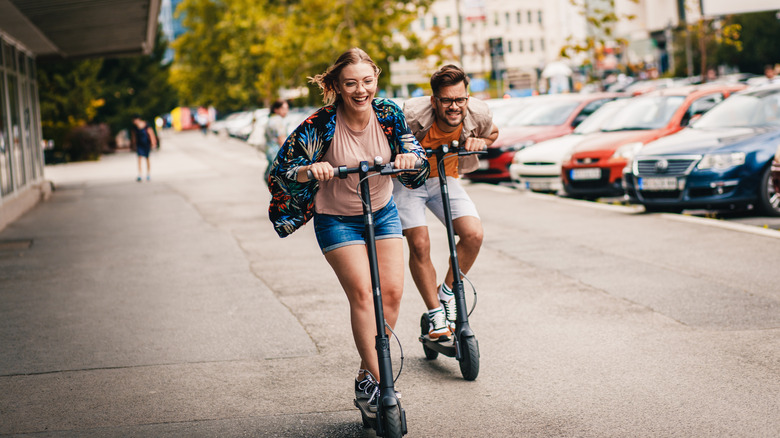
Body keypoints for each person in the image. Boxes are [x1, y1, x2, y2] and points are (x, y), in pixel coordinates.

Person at [267, 48, 429, 411]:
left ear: (376, 80)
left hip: (383, 212)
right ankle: (387, 386)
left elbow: (416, 159)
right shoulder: (320, 124)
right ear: (337, 86)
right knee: (363, 295)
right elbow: (281, 171)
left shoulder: (389, 113)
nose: (361, 90)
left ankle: (366, 378)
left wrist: (408, 158)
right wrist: (312, 170)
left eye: (367, 82)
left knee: (391, 294)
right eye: (351, 83)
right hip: (337, 219)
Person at [392, 64, 498, 341]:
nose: (455, 106)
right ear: (434, 100)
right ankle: (435, 312)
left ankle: (447, 292)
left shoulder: (478, 112)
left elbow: (493, 133)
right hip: (409, 181)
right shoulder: (411, 116)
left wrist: (480, 141)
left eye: (460, 99)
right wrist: (401, 154)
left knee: (473, 234)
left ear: (467, 98)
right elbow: (385, 143)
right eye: (447, 100)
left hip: (445, 178)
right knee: (419, 244)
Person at [263, 99, 289, 184]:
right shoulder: (279, 121)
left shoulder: (270, 120)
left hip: (270, 152)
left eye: (287, 108)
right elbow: (282, 140)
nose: (286, 111)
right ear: (276, 109)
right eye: (283, 109)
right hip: (277, 154)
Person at [130, 115, 158, 181]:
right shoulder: (134, 127)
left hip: (146, 143)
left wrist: (153, 142)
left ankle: (148, 174)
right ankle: (140, 174)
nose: (134, 122)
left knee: (147, 158)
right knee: (139, 158)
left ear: (138, 119)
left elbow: (151, 133)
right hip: (139, 144)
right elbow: (133, 136)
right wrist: (133, 144)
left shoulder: (146, 124)